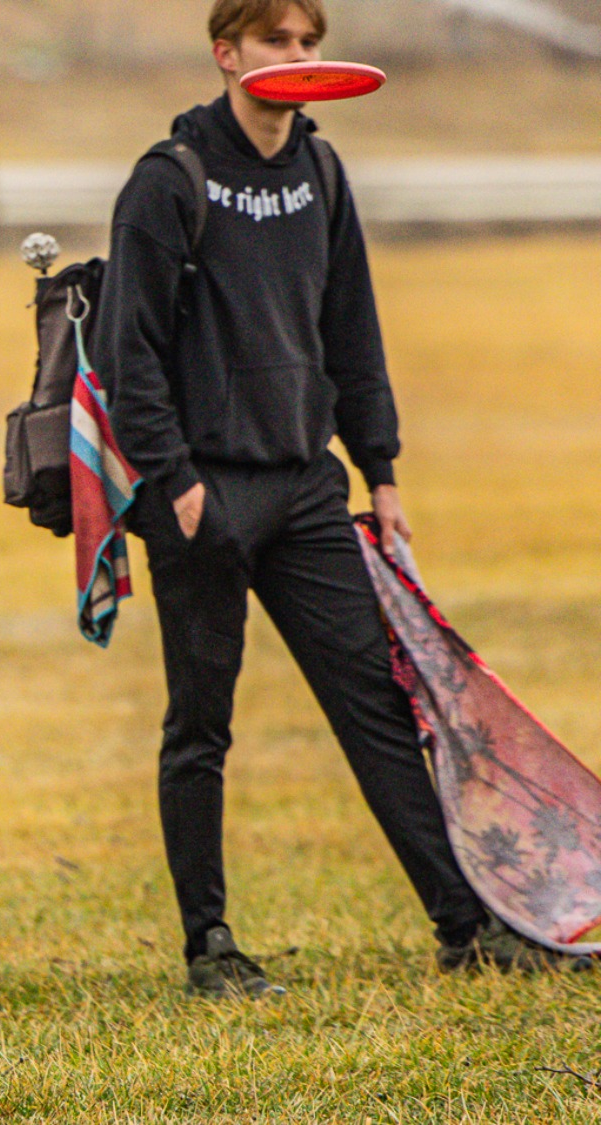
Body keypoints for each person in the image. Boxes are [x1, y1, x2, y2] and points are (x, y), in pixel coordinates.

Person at [97, 0, 588, 999]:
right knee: (200, 728)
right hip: (202, 495)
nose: (297, 56)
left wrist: (381, 468)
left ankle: (465, 927)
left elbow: (351, 326)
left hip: (305, 486)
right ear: (226, 53)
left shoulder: (319, 170)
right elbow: (125, 347)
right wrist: (173, 481)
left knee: (377, 707)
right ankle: (209, 947)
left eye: (309, 42)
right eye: (276, 40)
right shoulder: (169, 179)